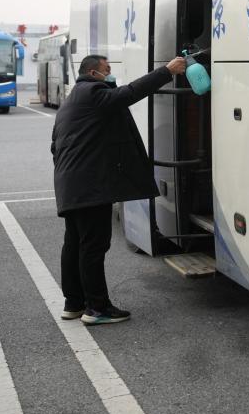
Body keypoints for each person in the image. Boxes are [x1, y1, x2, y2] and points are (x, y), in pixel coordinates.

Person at [51, 53, 186, 325]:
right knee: (92, 246)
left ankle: (74, 303)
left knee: (75, 244)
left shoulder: (73, 99)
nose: (110, 74)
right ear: (93, 74)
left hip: (71, 183)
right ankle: (97, 308)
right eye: (107, 70)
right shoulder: (93, 92)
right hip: (89, 186)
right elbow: (129, 93)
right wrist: (166, 72)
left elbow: (55, 145)